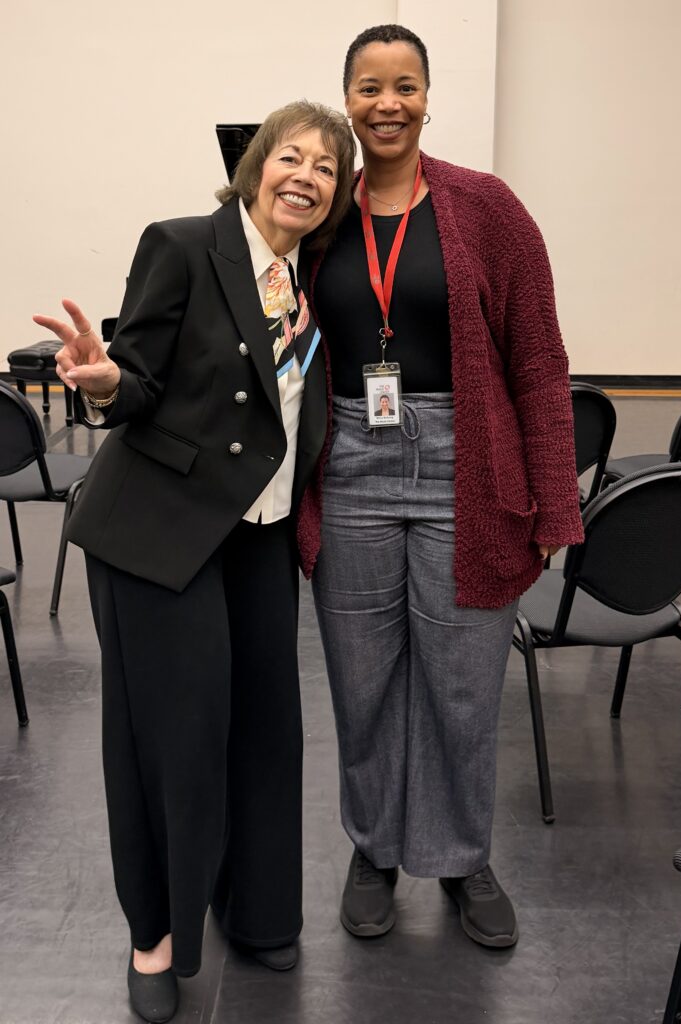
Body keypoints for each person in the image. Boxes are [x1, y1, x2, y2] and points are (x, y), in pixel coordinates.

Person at [33, 101, 354, 1023]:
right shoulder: (182, 245)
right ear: (256, 166)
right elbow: (136, 378)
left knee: (267, 726)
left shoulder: (308, 276)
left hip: (260, 532)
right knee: (171, 740)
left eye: (326, 168)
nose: (306, 176)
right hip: (162, 532)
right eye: (292, 156)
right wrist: (104, 383)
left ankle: (256, 909)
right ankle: (155, 934)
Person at [296, 26, 584, 949]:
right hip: (350, 464)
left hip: (468, 463)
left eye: (405, 85)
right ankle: (375, 850)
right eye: (369, 86)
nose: (388, 103)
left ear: (427, 98)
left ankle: (462, 857)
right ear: (347, 100)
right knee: (363, 681)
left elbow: (538, 360)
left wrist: (554, 501)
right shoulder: (318, 214)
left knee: (463, 685)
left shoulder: (487, 207)